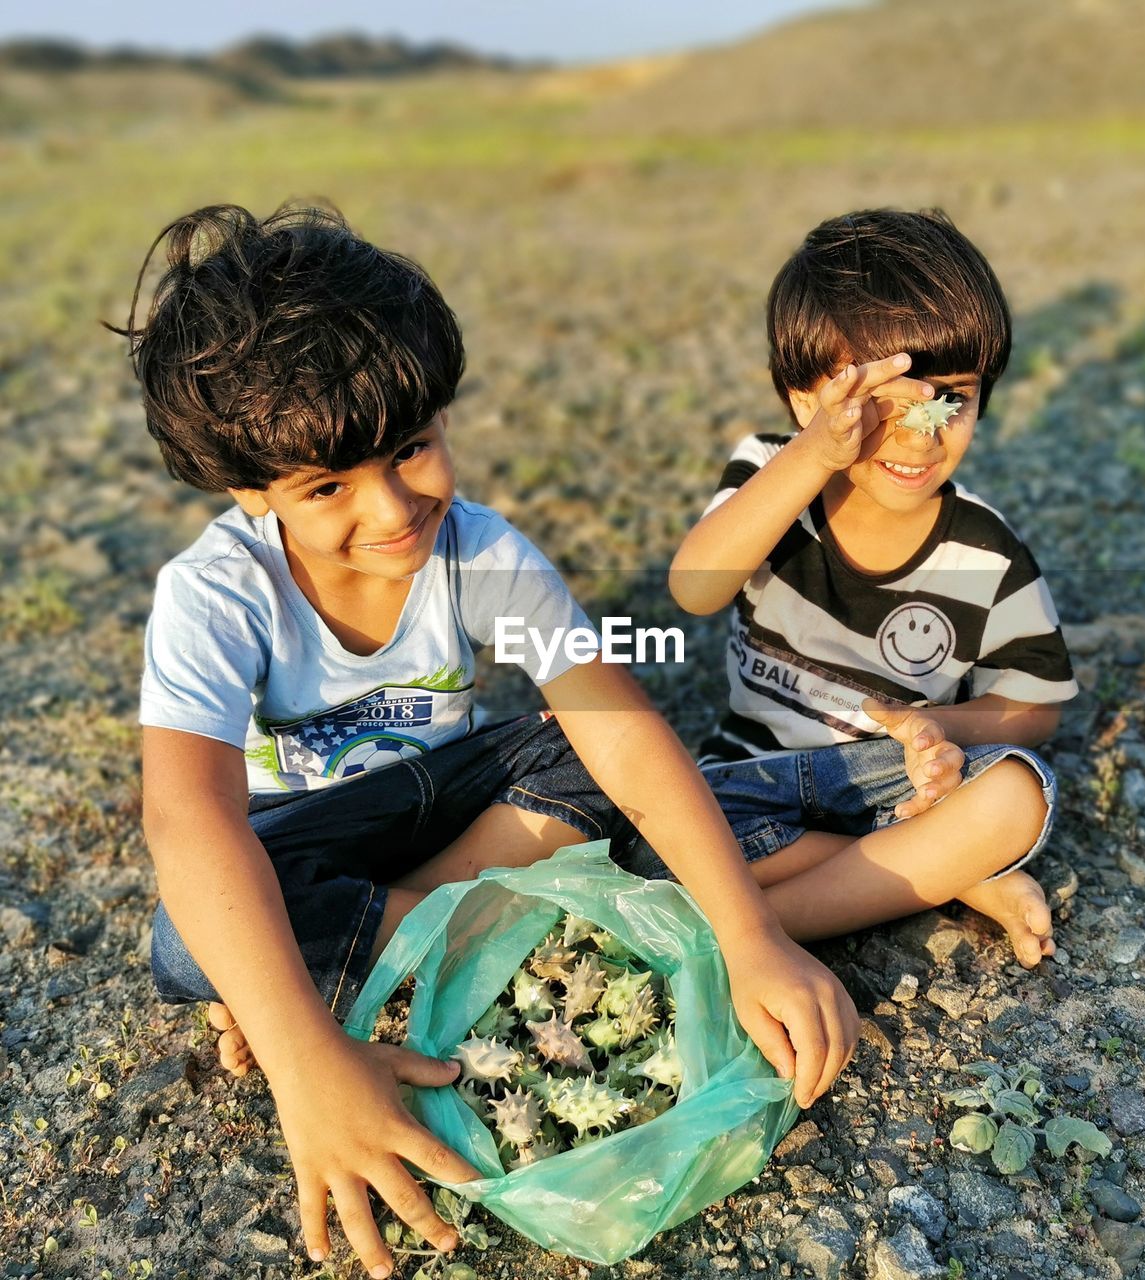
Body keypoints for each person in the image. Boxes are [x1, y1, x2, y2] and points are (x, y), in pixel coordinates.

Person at [120, 204, 857, 1279]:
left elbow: (611, 727)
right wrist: (304, 1063)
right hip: (304, 835)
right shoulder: (217, 594)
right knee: (189, 932)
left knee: (591, 746)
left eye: (411, 448)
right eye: (326, 487)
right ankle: (431, 956)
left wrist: (748, 937)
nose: (388, 508)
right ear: (246, 490)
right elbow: (187, 818)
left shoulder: (477, 554)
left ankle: (383, 957)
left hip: (462, 806)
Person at [668, 208, 1078, 967]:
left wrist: (941, 730)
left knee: (1019, 793)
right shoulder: (771, 476)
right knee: (658, 818)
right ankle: (953, 879)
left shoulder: (985, 555)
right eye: (880, 405)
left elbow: (1037, 706)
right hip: (754, 773)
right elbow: (695, 587)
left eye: (947, 399)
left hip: (902, 787)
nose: (921, 436)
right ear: (802, 401)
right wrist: (808, 460)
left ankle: (741, 932)